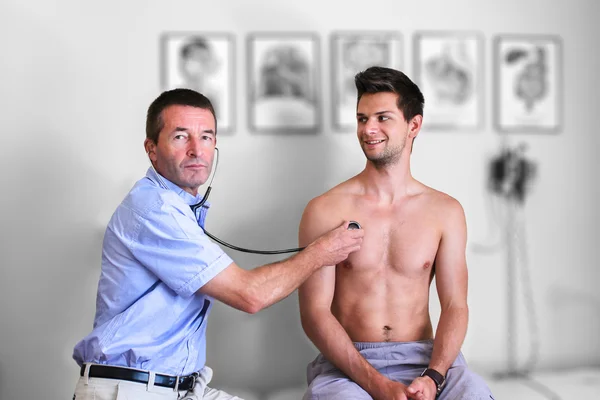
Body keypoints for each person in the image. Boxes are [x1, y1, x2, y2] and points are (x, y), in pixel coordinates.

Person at [71, 88, 364, 400]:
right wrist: (322, 252)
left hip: (178, 387)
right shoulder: (154, 209)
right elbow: (250, 295)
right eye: (181, 137)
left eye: (207, 137)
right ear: (152, 148)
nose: (197, 150)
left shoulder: (179, 207)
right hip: (132, 390)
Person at [298, 66, 494, 400]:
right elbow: (314, 313)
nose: (368, 129)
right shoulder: (324, 210)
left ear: (413, 125)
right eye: (362, 119)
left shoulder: (445, 211)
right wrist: (376, 384)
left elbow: (454, 305)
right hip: (349, 364)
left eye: (382, 118)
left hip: (425, 360)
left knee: (474, 393)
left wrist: (433, 377)